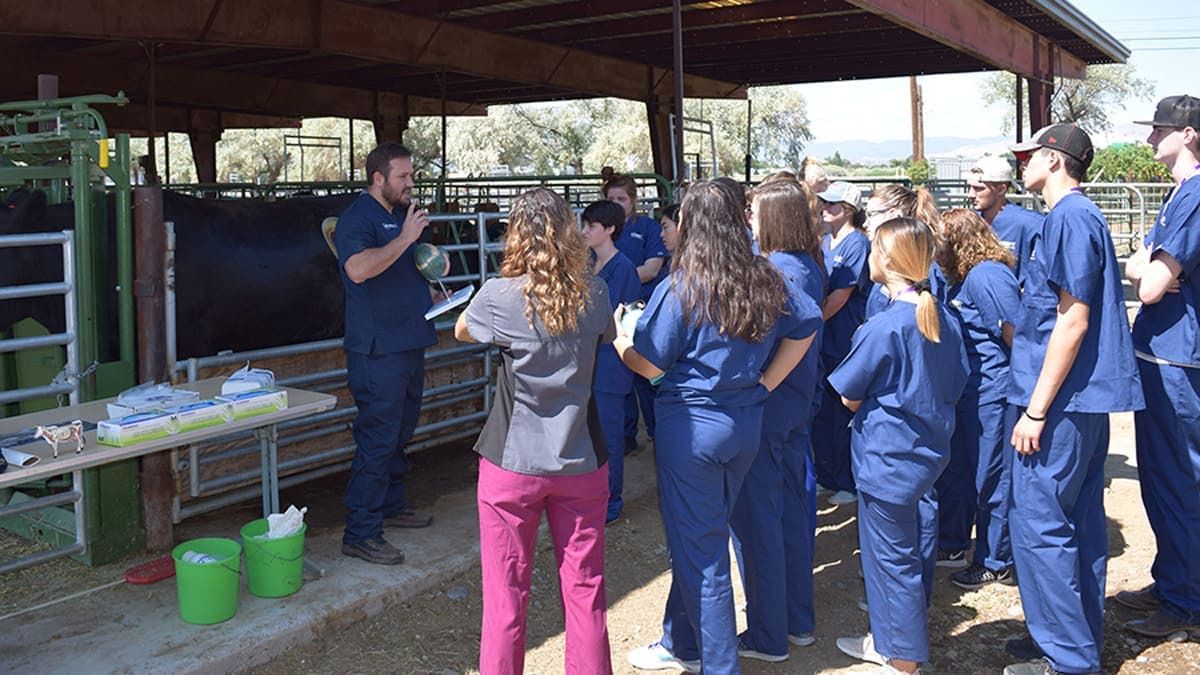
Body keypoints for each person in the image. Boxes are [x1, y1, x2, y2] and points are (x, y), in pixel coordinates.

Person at [615, 180, 818, 674]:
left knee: (703, 556)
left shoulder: (683, 284)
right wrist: (766, 382)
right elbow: (807, 325)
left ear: (691, 223)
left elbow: (651, 361)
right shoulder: (765, 277)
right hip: (744, 422)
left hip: (692, 428)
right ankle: (681, 641)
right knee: (702, 539)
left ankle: (719, 664)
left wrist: (622, 344)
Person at [1002, 124, 1144, 675]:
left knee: (1042, 528)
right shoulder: (1072, 218)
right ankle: (1071, 640)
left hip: (1059, 406)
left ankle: (1066, 657)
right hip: (1077, 403)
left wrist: (1035, 409)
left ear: (1055, 160)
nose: (1022, 163)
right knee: (1077, 525)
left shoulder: (1069, 217)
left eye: (1029, 154)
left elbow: (1072, 319)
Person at [454, 187, 614, 675]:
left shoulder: (499, 296)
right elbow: (605, 336)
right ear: (569, 234)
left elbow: (463, 329)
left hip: (512, 462)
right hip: (582, 460)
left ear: (516, 235)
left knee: (505, 597)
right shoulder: (597, 292)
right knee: (585, 590)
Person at [829, 217, 967, 675]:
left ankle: (903, 658)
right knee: (900, 553)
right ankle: (889, 642)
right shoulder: (941, 317)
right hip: (925, 453)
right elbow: (958, 380)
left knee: (891, 562)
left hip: (886, 459)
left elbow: (849, 393)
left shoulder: (886, 326)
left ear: (886, 260)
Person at [729, 179, 825, 663]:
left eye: (756, 212)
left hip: (769, 409)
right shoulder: (807, 263)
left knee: (757, 521)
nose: (750, 220)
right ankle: (796, 619)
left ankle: (768, 631)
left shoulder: (776, 272)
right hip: (795, 407)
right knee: (791, 514)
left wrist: (760, 383)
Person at [1121, 94, 1200, 638]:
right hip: (1161, 352)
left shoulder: (1194, 196)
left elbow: (1148, 283)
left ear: (1189, 134)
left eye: (1161, 129)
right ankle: (1173, 578)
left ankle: (1185, 602)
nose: (1151, 138)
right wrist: (1148, 268)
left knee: (1179, 481)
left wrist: (1149, 270)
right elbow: (1141, 266)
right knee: (1161, 479)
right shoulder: (1179, 195)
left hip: (1177, 357)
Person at [336, 142, 436, 565]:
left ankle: (391, 504)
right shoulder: (357, 218)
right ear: (379, 178)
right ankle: (361, 531)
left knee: (400, 431)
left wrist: (431, 272)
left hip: (410, 339)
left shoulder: (400, 217)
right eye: (403, 177)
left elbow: (403, 270)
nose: (411, 183)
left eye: (411, 176)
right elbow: (358, 269)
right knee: (377, 438)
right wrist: (407, 239)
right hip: (378, 349)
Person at [933, 209, 1021, 590]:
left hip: (992, 392)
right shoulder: (962, 277)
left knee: (992, 476)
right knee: (965, 472)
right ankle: (954, 544)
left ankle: (995, 560)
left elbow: (1016, 334)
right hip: (969, 392)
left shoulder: (986, 276)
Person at [581, 199, 642, 523]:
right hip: (586, 361)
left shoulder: (625, 268)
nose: (585, 231)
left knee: (608, 437)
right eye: (585, 225)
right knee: (588, 435)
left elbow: (619, 320)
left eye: (591, 226)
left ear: (610, 229)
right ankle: (592, 497)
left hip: (610, 363)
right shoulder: (586, 262)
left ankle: (610, 502)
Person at [602, 169, 668, 454]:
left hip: (643, 308)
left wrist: (618, 278)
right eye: (611, 198)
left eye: (622, 199)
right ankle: (627, 433)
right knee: (620, 372)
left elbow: (653, 268)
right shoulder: (601, 229)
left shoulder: (648, 229)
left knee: (647, 375)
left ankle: (658, 430)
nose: (617, 204)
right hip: (610, 309)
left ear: (633, 200)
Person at [813, 180, 868, 505]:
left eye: (832, 205)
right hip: (826, 337)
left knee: (842, 411)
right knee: (825, 411)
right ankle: (827, 474)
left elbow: (841, 295)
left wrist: (809, 321)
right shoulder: (825, 241)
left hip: (843, 336)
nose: (825, 209)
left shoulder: (856, 245)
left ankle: (847, 479)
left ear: (848, 210)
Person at [965, 155, 1044, 278]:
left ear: (1001, 189)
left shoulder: (1030, 224)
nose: (970, 195)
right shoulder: (968, 223)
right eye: (969, 187)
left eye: (979, 189)